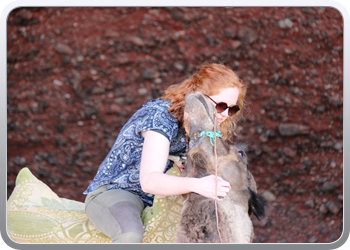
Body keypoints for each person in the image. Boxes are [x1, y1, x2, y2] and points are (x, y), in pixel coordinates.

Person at [83, 63, 247, 243]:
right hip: (121, 191)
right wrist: (198, 185)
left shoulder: (205, 128)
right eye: (220, 105)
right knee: (129, 234)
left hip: (163, 198)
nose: (224, 114)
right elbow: (149, 181)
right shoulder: (160, 116)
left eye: (232, 109)